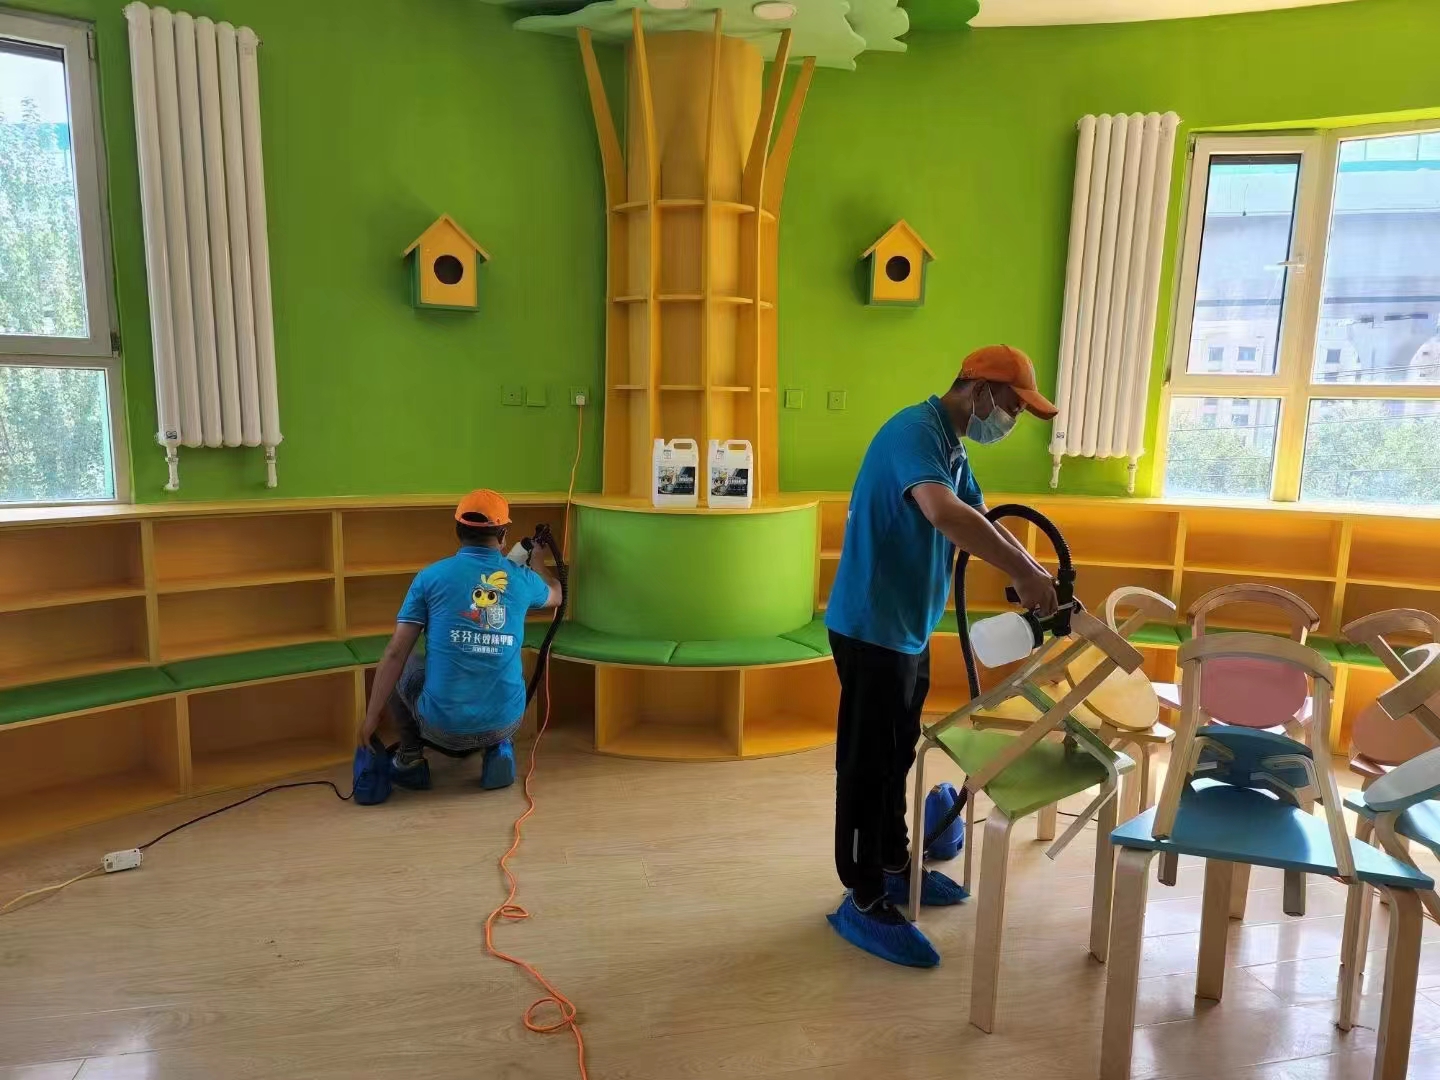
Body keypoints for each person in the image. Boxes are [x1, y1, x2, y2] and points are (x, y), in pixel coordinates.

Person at [824, 344, 1060, 968]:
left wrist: (1033, 571)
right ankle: (862, 894)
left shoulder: (951, 445)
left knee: (898, 753)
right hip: (871, 626)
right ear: (979, 390)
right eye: (1011, 406)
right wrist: (1025, 574)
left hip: (907, 628)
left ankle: (894, 863)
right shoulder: (915, 431)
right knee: (867, 763)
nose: (1011, 419)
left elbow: (982, 515)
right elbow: (944, 512)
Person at [357, 489, 563, 791]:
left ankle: (410, 758)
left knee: (405, 661)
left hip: (443, 729)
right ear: (503, 535)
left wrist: (371, 718)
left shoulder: (430, 577)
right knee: (505, 658)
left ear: (458, 531)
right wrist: (540, 564)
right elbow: (557, 594)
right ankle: (499, 747)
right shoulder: (521, 578)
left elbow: (394, 654)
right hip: (506, 721)